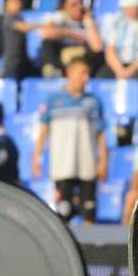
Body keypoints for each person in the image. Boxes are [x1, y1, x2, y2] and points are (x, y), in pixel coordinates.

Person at [32, 58, 109, 224]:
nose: (85, 78)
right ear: (70, 73)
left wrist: (103, 160)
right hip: (63, 165)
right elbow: (44, 131)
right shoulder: (53, 100)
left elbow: (101, 134)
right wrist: (36, 157)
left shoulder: (93, 102)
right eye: (82, 73)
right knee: (63, 214)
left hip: (87, 165)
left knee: (89, 213)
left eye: (87, 74)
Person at [38, 0, 103, 78]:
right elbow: (46, 33)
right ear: (64, 7)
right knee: (47, 44)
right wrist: (72, 33)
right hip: (61, 59)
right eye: (73, 5)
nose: (79, 7)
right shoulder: (58, 18)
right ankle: (54, 72)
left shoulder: (88, 21)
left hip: (82, 58)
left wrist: (88, 21)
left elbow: (97, 47)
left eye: (80, 3)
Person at [0, 0, 41, 81]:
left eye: (19, 1)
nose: (17, 4)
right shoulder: (7, 18)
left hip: (22, 63)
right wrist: (42, 25)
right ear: (6, 3)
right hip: (11, 64)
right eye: (14, 1)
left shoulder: (20, 18)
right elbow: (23, 27)